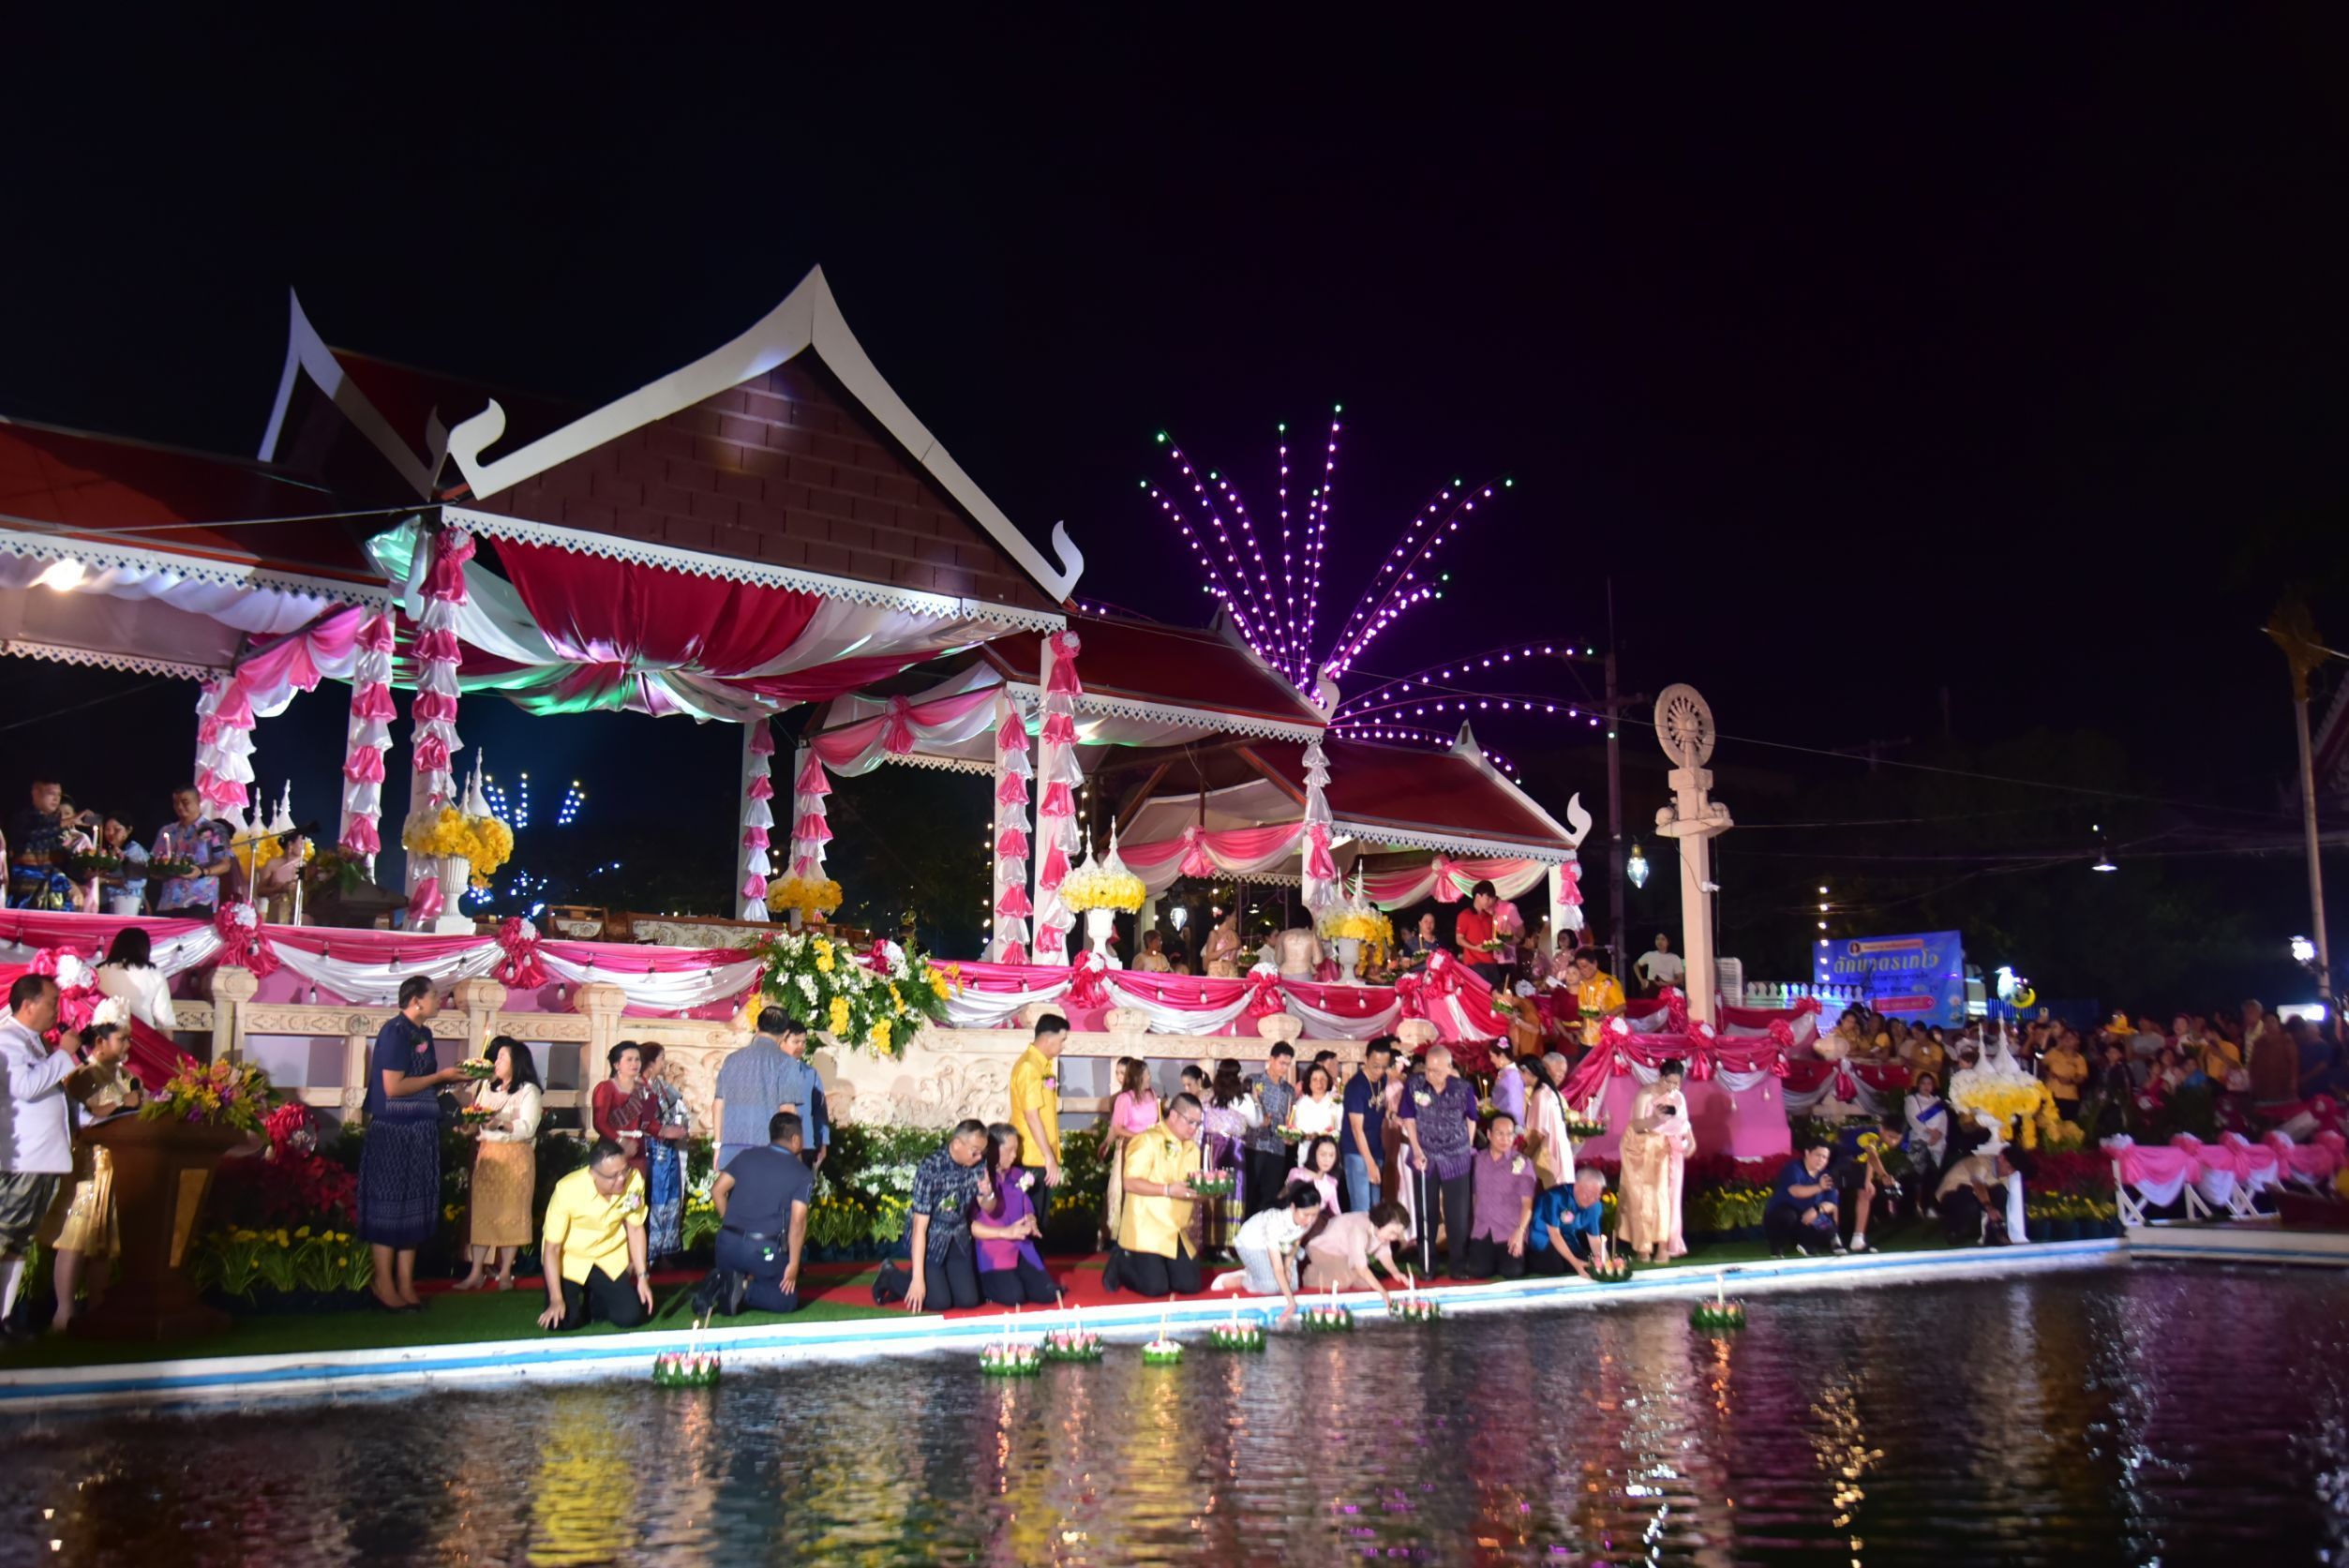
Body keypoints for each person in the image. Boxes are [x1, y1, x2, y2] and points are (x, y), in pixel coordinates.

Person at [2, 976, 133, 1336]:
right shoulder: (8, 1040)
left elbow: (60, 1100)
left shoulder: (37, 1043)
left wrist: (101, 1118)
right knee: (6, 1238)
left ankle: (4, 1320)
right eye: (52, 1003)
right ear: (28, 1005)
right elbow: (24, 1088)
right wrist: (63, 1053)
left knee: (17, 1243)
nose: (56, 1011)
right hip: (23, 1158)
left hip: (44, 1158)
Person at [358, 976, 465, 1313]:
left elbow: (422, 1083)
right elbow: (393, 1087)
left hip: (421, 1129)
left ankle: (406, 1283)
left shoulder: (424, 1034)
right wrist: (440, 1077)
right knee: (389, 1205)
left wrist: (451, 1081)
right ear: (416, 1000)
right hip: (394, 1131)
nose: (439, 1000)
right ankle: (384, 1283)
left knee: (415, 1207)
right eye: (434, 995)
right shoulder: (395, 1032)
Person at [40, 1015, 142, 1331]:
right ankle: (64, 1312)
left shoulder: (126, 1075)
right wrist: (122, 1104)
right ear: (99, 1042)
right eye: (121, 1039)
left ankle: (97, 1308)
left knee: (104, 1243)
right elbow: (81, 1117)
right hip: (88, 1166)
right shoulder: (82, 1075)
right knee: (74, 1237)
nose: (127, 1045)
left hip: (117, 1165)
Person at [698, 1112, 814, 1318]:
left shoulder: (746, 1156)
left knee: (739, 1279)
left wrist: (730, 1221)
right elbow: (798, 1222)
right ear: (796, 1139)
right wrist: (794, 1264)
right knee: (786, 1300)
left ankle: (724, 1282)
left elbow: (717, 1191)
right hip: (763, 1249)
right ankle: (742, 1288)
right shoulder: (801, 1173)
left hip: (727, 1245)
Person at [453, 1036, 542, 1292]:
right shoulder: (487, 1087)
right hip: (488, 1157)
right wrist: (465, 1124)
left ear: (517, 1062)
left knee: (512, 1213)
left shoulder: (529, 1090)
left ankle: (505, 1272)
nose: (497, 1061)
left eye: (503, 1057)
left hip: (515, 1158)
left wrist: (500, 1123)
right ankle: (475, 1272)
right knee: (482, 1215)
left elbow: (528, 1127)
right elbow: (475, 1121)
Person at [537, 1138, 654, 1330]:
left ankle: (596, 1298)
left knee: (630, 1317)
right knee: (562, 1322)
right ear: (593, 1174)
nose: (621, 1179)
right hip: (570, 1260)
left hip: (608, 1258)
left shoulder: (633, 1181)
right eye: (613, 1176)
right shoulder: (567, 1189)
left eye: (624, 1171)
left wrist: (642, 1276)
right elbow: (552, 1248)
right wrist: (556, 1299)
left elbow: (635, 1228)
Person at [1112, 1091, 1205, 1297]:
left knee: (1190, 1285)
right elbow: (1130, 1183)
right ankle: (1120, 1262)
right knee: (1155, 1288)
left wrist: (1206, 1192)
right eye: (1190, 1122)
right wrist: (1167, 1190)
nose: (1194, 1128)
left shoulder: (1193, 1149)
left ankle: (1162, 1268)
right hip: (1147, 1228)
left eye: (1198, 1124)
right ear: (1174, 1115)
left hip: (1176, 1230)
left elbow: (1191, 1187)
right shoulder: (1146, 1140)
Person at [1397, 1045, 1478, 1277]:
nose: (1431, 1075)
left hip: (1456, 1158)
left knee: (1457, 1214)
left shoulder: (1463, 1088)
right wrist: (1416, 1150)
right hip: (1425, 1157)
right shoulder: (1414, 1084)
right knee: (1426, 1212)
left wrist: (1467, 1147)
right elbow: (1409, 1118)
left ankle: (1458, 1265)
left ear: (1449, 1068)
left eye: (1437, 1070)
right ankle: (1427, 1265)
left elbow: (1471, 1119)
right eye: (1428, 1070)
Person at [711, 1009, 826, 1172]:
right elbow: (787, 1111)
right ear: (785, 1033)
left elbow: (718, 1105)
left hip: (731, 1154)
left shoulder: (731, 1059)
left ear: (757, 1027)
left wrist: (718, 1147)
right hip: (768, 1155)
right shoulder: (786, 1063)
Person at [895, 1120, 992, 1313]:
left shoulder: (979, 1165)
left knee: (968, 1300)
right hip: (931, 1240)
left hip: (958, 1237)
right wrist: (917, 1279)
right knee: (939, 1302)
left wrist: (988, 1193)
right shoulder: (931, 1169)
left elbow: (988, 1207)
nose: (979, 1156)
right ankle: (892, 1276)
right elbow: (919, 1226)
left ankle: (941, 1276)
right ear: (957, 1144)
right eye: (975, 1151)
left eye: (983, 1152)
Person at [972, 1121, 1059, 1307]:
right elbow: (972, 1223)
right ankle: (982, 1284)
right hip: (995, 1248)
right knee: (1014, 1297)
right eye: (1010, 1150)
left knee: (1047, 1295)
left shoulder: (1017, 1174)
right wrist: (1004, 1232)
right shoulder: (981, 1178)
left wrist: (1031, 1219)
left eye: (1016, 1150)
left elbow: (1026, 1204)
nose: (1014, 1155)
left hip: (1021, 1246)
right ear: (994, 1149)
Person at [1213, 1178, 1322, 1322]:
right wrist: (1291, 1302)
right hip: (1252, 1244)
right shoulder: (1275, 1222)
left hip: (1281, 1246)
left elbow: (1296, 1241)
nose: (1310, 1220)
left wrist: (1288, 1266)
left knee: (1292, 1285)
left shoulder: (1308, 1220)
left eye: (1314, 1215)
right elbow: (1277, 1268)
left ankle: (1259, 1272)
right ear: (1293, 1207)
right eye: (1306, 1215)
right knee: (1269, 1287)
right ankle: (1243, 1277)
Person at [1618, 1057, 1694, 1262]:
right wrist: (1655, 1119)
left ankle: (1663, 1246)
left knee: (1663, 1197)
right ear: (1660, 1076)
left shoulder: (1677, 1097)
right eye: (1669, 1082)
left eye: (1677, 1083)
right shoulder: (1645, 1094)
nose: (1672, 1087)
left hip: (1663, 1149)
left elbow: (1683, 1122)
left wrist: (1691, 1141)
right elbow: (1636, 1126)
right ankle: (1642, 1248)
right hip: (1639, 1148)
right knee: (1640, 1198)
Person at [1462, 1112, 1537, 1278]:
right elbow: (1474, 1197)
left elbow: (1527, 1204)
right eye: (1500, 1134)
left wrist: (1520, 1232)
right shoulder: (1477, 1160)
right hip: (1483, 1229)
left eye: (1510, 1134)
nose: (1505, 1139)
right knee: (1478, 1271)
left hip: (1509, 1230)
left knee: (1513, 1271)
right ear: (1489, 1134)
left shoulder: (1522, 1162)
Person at [636, 1043, 692, 1262]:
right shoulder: (638, 1087)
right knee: (652, 1196)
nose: (664, 1063)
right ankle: (647, 1251)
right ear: (651, 1062)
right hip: (649, 1150)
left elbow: (677, 1108)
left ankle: (666, 1249)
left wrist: (677, 1126)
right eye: (661, 1059)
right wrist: (662, 1130)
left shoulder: (661, 1086)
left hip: (667, 1149)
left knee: (670, 1195)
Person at [1198, 1058, 1258, 1257]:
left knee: (1210, 1190)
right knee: (1231, 1192)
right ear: (1239, 1076)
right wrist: (1256, 1100)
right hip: (1233, 1149)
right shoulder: (1243, 1099)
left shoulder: (1206, 1096)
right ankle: (1226, 1243)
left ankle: (1207, 1240)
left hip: (1209, 1148)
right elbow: (1255, 1122)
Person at [1010, 1014, 1066, 1221]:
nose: (1063, 1046)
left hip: (1043, 1156)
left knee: (1040, 1220)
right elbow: (1031, 1115)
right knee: (1031, 1220)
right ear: (1047, 1039)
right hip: (1032, 1157)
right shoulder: (1029, 1067)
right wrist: (1048, 1156)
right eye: (1062, 1040)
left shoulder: (1042, 1065)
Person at [1299, 1201, 1411, 1305]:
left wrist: (1395, 1272)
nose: (1394, 1238)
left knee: (1364, 1284)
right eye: (1393, 1232)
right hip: (1324, 1250)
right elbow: (1361, 1268)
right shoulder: (1359, 1229)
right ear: (1381, 1223)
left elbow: (1384, 1254)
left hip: (1346, 1254)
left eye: (1397, 1234)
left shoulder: (1381, 1232)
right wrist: (1383, 1292)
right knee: (1344, 1279)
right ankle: (1311, 1276)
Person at [1101, 1055, 1160, 1244]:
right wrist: (1140, 1136)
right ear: (1138, 1076)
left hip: (1152, 1149)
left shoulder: (1152, 1095)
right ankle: (1124, 1234)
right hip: (1132, 1148)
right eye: (1147, 1074)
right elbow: (1118, 1127)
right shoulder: (1124, 1099)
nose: (1149, 1077)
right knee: (1129, 1191)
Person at [149, 787, 232, 918]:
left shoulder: (214, 829)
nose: (179, 807)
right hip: (169, 901)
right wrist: (159, 869)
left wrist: (202, 872)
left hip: (199, 900)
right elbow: (155, 860)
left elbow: (225, 864)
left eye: (185, 802)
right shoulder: (167, 831)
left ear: (198, 801)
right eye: (176, 803)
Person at [1243, 1042, 1298, 1218]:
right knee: (1250, 1192)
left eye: (1287, 1064)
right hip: (1255, 1145)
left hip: (1277, 1148)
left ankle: (1265, 1228)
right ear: (1271, 1060)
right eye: (1281, 1063)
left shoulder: (1288, 1089)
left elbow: (1289, 1118)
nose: (1284, 1068)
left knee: (1270, 1194)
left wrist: (1290, 1135)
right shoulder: (1253, 1081)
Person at [7, 781, 81, 912]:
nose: (56, 799)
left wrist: (86, 870)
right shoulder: (23, 819)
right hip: (26, 895)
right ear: (36, 794)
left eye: (59, 794)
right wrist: (69, 821)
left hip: (54, 895)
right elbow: (33, 834)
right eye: (51, 793)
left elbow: (60, 862)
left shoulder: (59, 827)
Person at [1341, 1038, 1396, 1211]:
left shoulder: (1382, 1080)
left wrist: (1392, 1115)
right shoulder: (1356, 1087)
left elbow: (1378, 1108)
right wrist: (1370, 1164)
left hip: (1376, 1148)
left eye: (1384, 1067)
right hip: (1357, 1152)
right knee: (1362, 1208)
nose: (1379, 1071)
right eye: (1375, 1066)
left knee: (1375, 1207)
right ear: (1366, 1059)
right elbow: (1357, 1130)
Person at [1529, 1168, 1611, 1277]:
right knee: (1555, 1268)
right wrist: (1576, 1263)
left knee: (1584, 1263)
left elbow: (1594, 1239)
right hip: (1544, 1234)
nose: (1592, 1200)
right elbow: (1554, 1234)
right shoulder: (1555, 1197)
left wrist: (1607, 1263)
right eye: (1589, 1194)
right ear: (1577, 1186)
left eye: (1596, 1196)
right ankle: (1528, 1257)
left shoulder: (1595, 1206)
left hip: (1567, 1234)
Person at [93, 925, 176, 1033]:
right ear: (145, 949)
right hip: (143, 1036)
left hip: (106, 1035)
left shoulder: (99, 970)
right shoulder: (154, 972)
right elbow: (165, 1019)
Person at [1764, 1141, 1841, 1257]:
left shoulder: (1826, 1175)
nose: (1821, 1160)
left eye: (1825, 1157)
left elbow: (1831, 1203)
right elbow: (1796, 1191)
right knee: (1786, 1217)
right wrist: (1819, 1187)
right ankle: (1777, 1247)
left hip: (1810, 1213)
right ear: (1807, 1153)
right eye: (1818, 1155)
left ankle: (1807, 1244)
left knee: (1828, 1230)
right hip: (1785, 1212)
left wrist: (1817, 1210)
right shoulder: (1793, 1168)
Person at [1937, 1142, 2024, 1246]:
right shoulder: (1980, 1162)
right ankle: (1954, 1231)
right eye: (2009, 1167)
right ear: (2001, 1158)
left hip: (1973, 1197)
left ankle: (1993, 1234)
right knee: (1967, 1197)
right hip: (1950, 1194)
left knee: (2001, 1192)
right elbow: (1978, 1184)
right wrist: (1989, 1207)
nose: (2009, 1172)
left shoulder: (2004, 1175)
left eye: (2013, 1170)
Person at [592, 1042, 654, 1183]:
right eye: (629, 1059)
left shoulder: (644, 1089)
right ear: (617, 1065)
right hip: (612, 1147)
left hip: (638, 1149)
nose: (635, 1063)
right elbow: (599, 1123)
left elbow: (650, 1121)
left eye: (637, 1059)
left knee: (636, 1188)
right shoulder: (606, 1088)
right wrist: (621, 1140)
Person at [1524, 1051, 1576, 1192]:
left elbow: (1538, 1133)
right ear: (1544, 1068)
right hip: (1548, 1158)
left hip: (1550, 1158)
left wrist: (1524, 1156)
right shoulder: (1537, 1092)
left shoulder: (1545, 1094)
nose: (1560, 1075)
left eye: (1563, 1072)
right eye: (1558, 1070)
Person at [91, 812, 149, 917]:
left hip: (128, 904)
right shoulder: (106, 851)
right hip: (107, 902)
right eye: (107, 829)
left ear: (128, 830)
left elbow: (136, 881)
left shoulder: (134, 849)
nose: (111, 833)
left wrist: (105, 880)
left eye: (117, 829)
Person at [1904, 1069, 1950, 1187]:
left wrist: (1938, 1135)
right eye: (1923, 1083)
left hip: (1937, 1141)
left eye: (1929, 1084)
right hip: (1919, 1139)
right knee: (1918, 1176)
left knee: (1935, 1177)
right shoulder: (1912, 1100)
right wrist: (1929, 1132)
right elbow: (1912, 1119)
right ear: (1918, 1085)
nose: (1926, 1086)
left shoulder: (1937, 1101)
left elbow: (1944, 1121)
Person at [1572, 952, 1627, 1046]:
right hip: (1586, 1039)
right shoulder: (1582, 984)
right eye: (1579, 968)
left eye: (1585, 966)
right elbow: (1582, 1009)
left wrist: (1605, 1016)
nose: (1582, 970)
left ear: (1595, 963)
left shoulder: (1608, 982)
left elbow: (1622, 1006)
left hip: (1606, 1039)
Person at [1454, 881, 1504, 984]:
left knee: (1497, 991)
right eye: (1487, 898)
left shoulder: (1490, 917)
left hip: (1492, 963)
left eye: (1491, 898)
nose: (1490, 901)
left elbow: (1494, 938)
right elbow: (1459, 939)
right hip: (1474, 964)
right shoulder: (1465, 915)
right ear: (1477, 896)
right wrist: (1475, 948)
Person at [2040, 1027, 2087, 1121]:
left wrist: (2071, 1080)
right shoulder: (2053, 1053)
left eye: (2071, 1038)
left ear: (2077, 1041)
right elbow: (2041, 1064)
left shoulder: (2079, 1059)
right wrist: (2047, 1072)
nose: (2068, 1040)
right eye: (2065, 1037)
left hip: (2069, 1098)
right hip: (2051, 1095)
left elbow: (2081, 1077)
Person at [1294, 1135, 1342, 1222]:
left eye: (1331, 1155)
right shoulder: (1297, 1174)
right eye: (1323, 1154)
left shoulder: (1331, 1182)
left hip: (1317, 1223)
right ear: (1313, 1153)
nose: (1327, 1160)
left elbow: (1335, 1210)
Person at [1635, 932, 1685, 996]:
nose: (1659, 941)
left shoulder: (1675, 958)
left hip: (1668, 988)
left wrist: (1665, 984)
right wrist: (1641, 980)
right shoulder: (1650, 955)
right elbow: (1636, 965)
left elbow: (1680, 979)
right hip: (1651, 988)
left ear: (1668, 942)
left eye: (1663, 939)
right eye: (1657, 939)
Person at [1203, 911, 1243, 978]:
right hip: (1216, 973)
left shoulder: (1234, 935)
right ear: (1227, 918)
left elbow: (1234, 959)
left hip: (1230, 974)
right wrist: (1225, 948)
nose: (1236, 919)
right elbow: (1209, 956)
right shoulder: (1214, 934)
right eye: (1234, 917)